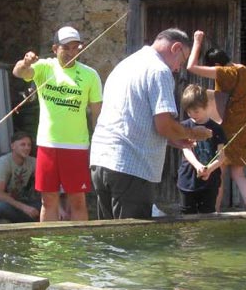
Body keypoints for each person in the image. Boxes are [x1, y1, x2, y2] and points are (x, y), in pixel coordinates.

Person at [89, 28, 210, 220]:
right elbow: (164, 126)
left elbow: (133, 119)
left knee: (109, 239)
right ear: (176, 47)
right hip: (131, 166)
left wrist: (172, 141)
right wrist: (194, 133)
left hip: (101, 162)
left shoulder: (126, 64)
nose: (178, 68)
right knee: (132, 242)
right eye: (182, 59)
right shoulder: (159, 70)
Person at [12, 25, 102, 222]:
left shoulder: (90, 75)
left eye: (75, 47)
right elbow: (18, 72)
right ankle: (48, 247)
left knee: (77, 200)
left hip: (76, 146)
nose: (71, 52)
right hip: (48, 144)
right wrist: (26, 62)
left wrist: (99, 142)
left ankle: (78, 245)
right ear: (55, 49)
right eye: (65, 47)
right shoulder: (45, 67)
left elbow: (97, 113)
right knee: (48, 200)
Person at [186, 30, 246, 211]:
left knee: (218, 173)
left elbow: (191, 67)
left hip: (224, 128)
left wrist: (197, 42)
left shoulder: (223, 72)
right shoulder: (242, 70)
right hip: (242, 127)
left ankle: (216, 211)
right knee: (239, 174)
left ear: (217, 64)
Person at [177, 85, 227, 215]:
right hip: (188, 181)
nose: (192, 115)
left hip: (210, 183)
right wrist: (198, 166)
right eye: (189, 112)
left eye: (196, 111)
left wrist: (209, 169)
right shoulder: (185, 127)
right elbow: (186, 149)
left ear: (206, 106)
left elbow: (221, 157)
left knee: (208, 216)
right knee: (187, 218)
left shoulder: (217, 129)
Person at [0, 130, 40, 223]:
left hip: (20, 202)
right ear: (13, 146)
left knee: (44, 206)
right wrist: (24, 208)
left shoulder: (32, 162)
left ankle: (25, 220)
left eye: (29, 145)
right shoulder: (3, 162)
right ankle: (28, 221)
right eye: (22, 145)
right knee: (1, 208)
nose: (27, 148)